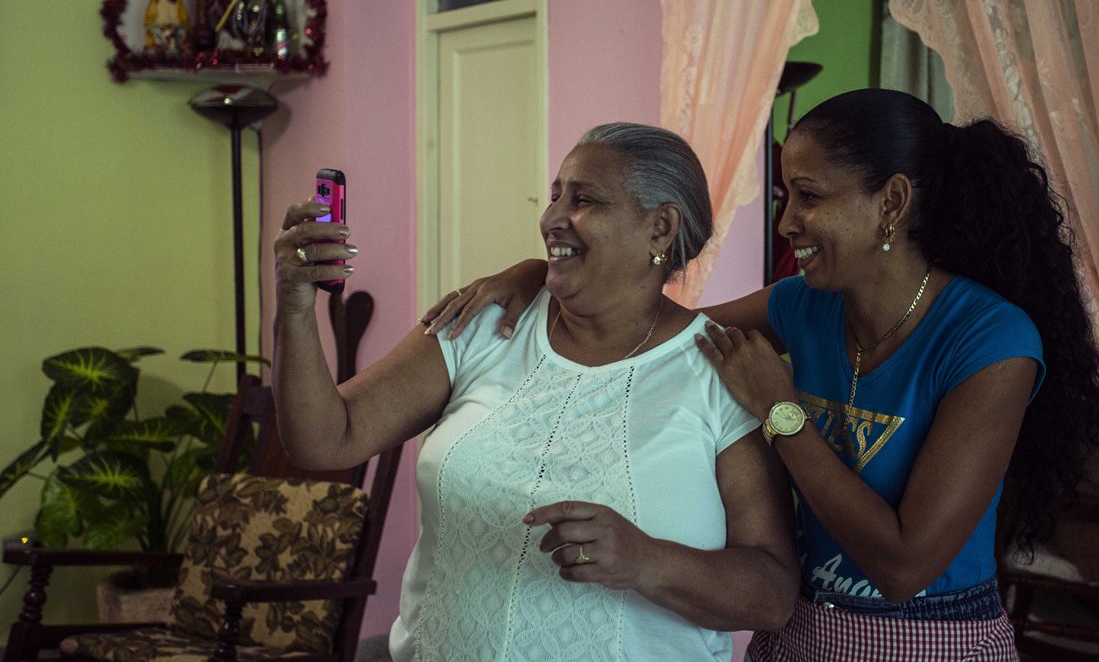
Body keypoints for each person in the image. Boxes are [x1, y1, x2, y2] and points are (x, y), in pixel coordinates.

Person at [424, 89, 1099, 661]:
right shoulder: (801, 306)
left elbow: (904, 566)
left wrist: (783, 416)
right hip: (795, 635)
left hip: (930, 639)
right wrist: (537, 276)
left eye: (808, 196)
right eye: (786, 195)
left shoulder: (990, 341)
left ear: (892, 203)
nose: (787, 222)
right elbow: (654, 331)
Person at [273, 123, 799, 662]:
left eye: (584, 199)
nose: (551, 218)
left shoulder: (720, 373)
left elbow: (773, 594)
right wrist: (294, 306)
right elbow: (324, 440)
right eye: (555, 195)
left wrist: (646, 561)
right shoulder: (485, 324)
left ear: (661, 228)